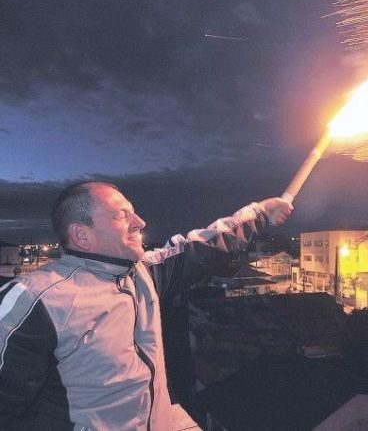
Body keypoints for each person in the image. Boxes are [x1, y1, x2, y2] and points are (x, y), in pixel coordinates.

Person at [0, 181, 293, 430]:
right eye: (121, 215)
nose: (139, 222)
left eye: (134, 212)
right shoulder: (36, 299)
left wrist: (260, 212)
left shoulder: (143, 276)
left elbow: (201, 247)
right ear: (82, 235)